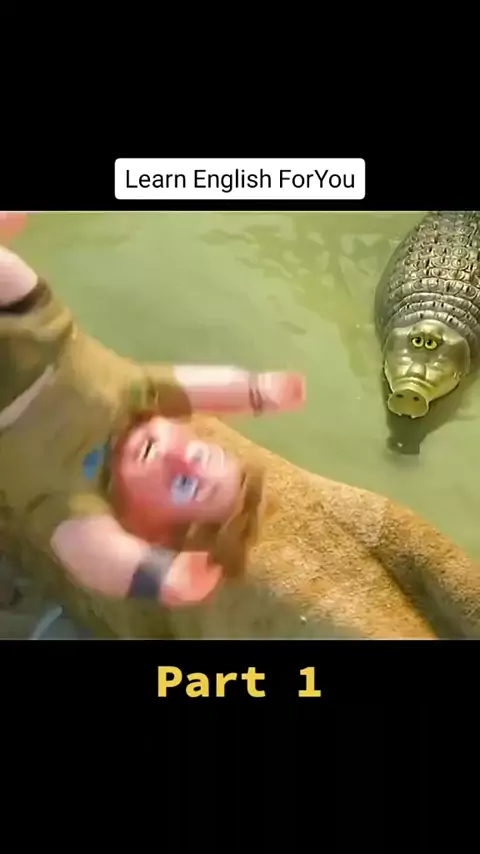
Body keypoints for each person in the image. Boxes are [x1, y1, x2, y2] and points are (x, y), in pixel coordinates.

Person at [0, 216, 305, 612]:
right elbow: (195, 385)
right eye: (198, 453)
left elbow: (97, 554)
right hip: (32, 317)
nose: (177, 457)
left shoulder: (75, 495)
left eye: (183, 484)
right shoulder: (139, 398)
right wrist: (257, 391)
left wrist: (159, 577)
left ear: (146, 529)